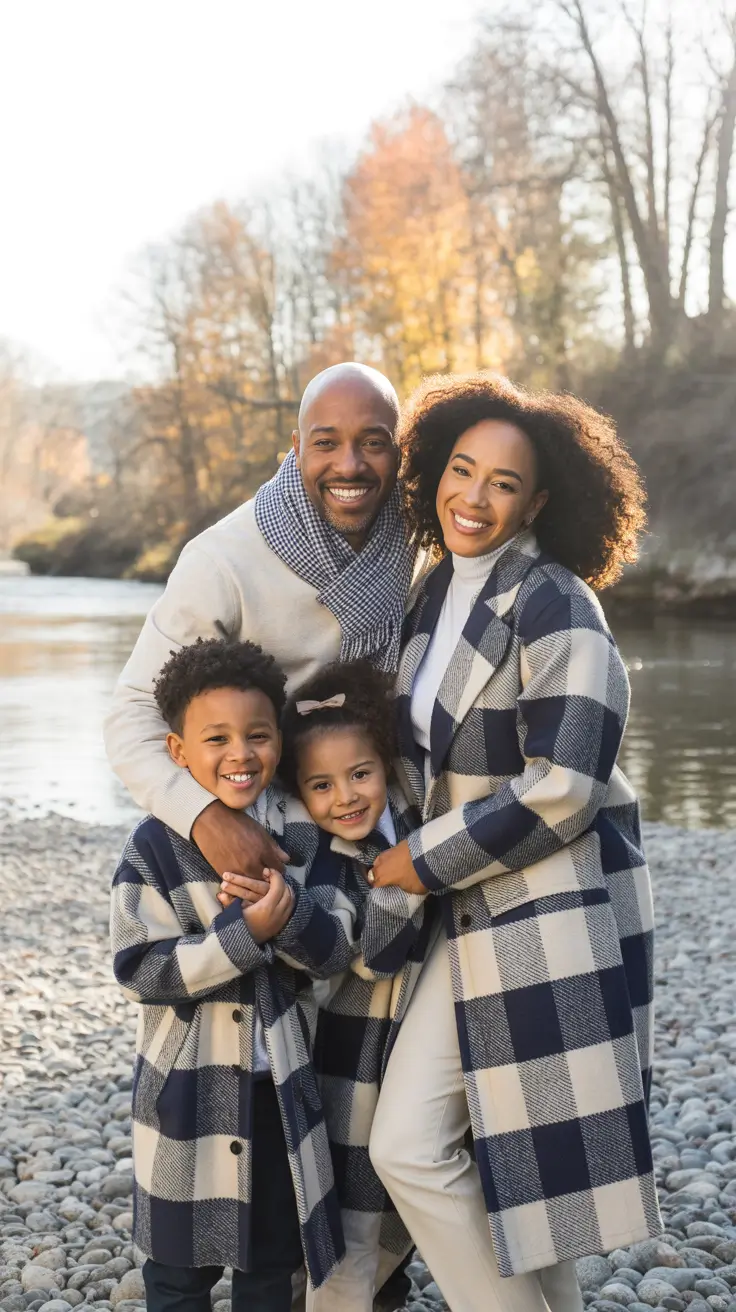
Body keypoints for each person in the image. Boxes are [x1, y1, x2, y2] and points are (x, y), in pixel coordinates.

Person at [103, 361, 417, 1312]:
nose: (350, 463)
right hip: (266, 839)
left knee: (375, 1099)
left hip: (379, 841)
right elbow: (128, 717)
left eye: (373, 442)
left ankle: (373, 1278)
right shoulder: (228, 556)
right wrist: (210, 819)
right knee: (285, 1072)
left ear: (399, 453)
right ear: (296, 448)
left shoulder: (423, 541)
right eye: (328, 441)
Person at [367, 373, 661, 1312]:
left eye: (502, 483)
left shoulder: (557, 603)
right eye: (461, 470)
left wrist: (422, 859)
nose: (474, 496)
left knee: (408, 1147)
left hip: (543, 909)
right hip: (463, 911)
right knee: (532, 1177)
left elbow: (566, 785)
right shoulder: (429, 596)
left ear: (538, 501)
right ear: (434, 473)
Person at [110, 636, 371, 1312]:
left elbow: (339, 948)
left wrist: (288, 918)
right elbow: (142, 968)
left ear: (279, 740)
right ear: (178, 752)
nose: (240, 753)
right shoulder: (152, 847)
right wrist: (239, 937)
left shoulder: (307, 835)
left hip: (279, 1091)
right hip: (183, 1094)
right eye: (216, 737)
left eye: (257, 734)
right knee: (175, 1270)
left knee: (272, 1266)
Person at [218, 660, 432, 1312]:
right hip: (343, 1056)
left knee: (390, 1187)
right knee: (345, 1189)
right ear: (299, 795)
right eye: (322, 785)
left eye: (360, 775)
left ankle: (384, 1288)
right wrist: (287, 916)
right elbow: (350, 953)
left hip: (407, 1046)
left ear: (386, 769)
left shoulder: (413, 826)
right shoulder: (330, 863)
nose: (346, 797)